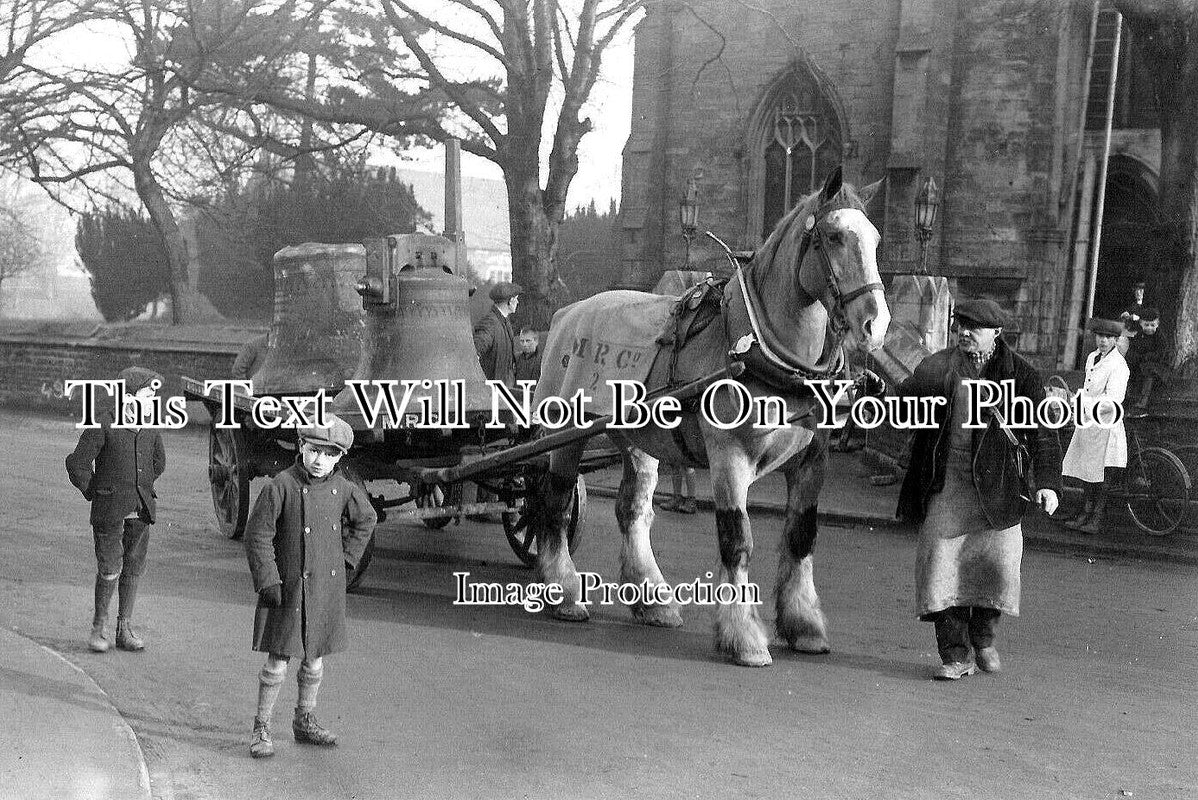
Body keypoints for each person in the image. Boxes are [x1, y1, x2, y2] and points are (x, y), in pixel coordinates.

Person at [895, 298, 1062, 681]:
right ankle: (955, 655)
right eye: (960, 326)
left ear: (997, 333)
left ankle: (983, 637)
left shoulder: (1022, 374)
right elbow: (903, 400)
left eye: (975, 327)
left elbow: (1042, 433)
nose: (964, 333)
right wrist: (873, 396)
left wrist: (1049, 483)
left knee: (996, 571)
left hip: (999, 488)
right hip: (948, 485)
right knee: (940, 569)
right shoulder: (939, 366)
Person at [243, 415, 376, 759]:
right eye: (314, 450)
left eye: (329, 454)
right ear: (301, 446)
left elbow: (367, 519)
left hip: (323, 588)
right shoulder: (280, 486)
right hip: (286, 587)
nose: (320, 460)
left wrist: (348, 560)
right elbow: (257, 534)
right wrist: (268, 578)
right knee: (277, 661)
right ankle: (262, 726)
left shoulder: (344, 488)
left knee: (314, 658)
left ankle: (304, 719)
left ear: (340, 458)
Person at [66, 366, 167, 653]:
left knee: (133, 567)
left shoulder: (149, 427)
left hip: (140, 509)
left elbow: (158, 462)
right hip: (109, 511)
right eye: (147, 396)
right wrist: (96, 492)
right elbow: (77, 465)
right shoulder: (103, 424)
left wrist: (140, 486)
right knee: (110, 566)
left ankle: (125, 629)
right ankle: (99, 627)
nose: (151, 402)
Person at [1060, 319, 1129, 535]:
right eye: (1100, 336)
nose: (1103, 341)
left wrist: (1085, 404)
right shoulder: (1092, 357)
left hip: (1106, 426)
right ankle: (1084, 511)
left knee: (1101, 476)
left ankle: (1096, 517)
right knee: (1086, 470)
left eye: (1108, 338)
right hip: (1089, 423)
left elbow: (1113, 400)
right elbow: (1088, 388)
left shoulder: (1119, 366)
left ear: (1116, 340)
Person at [473, 282, 521, 388]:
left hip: (504, 388)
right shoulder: (490, 323)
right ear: (509, 301)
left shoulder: (504, 320)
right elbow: (475, 352)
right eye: (515, 299)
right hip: (493, 390)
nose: (517, 302)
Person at [1124, 306, 1168, 411]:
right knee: (1127, 368)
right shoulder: (1139, 335)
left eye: (1152, 325)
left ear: (1157, 324)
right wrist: (1134, 357)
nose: (1149, 328)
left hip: (1158, 367)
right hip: (1141, 364)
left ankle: (1144, 400)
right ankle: (1127, 396)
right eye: (1146, 325)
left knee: (1149, 370)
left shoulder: (1159, 337)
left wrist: (1147, 357)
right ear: (1141, 324)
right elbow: (1133, 349)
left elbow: (1161, 353)